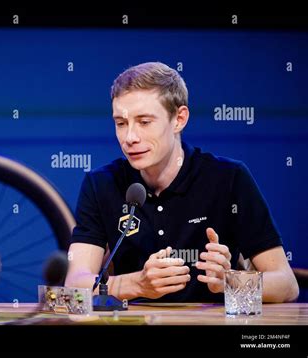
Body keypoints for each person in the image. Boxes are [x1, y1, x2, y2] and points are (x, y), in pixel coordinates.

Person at [65, 62, 299, 303]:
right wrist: (138, 284)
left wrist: (229, 281)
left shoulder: (229, 178)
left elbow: (286, 284)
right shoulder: (101, 183)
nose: (130, 138)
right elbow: (74, 285)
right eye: (121, 123)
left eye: (144, 122)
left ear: (179, 119)